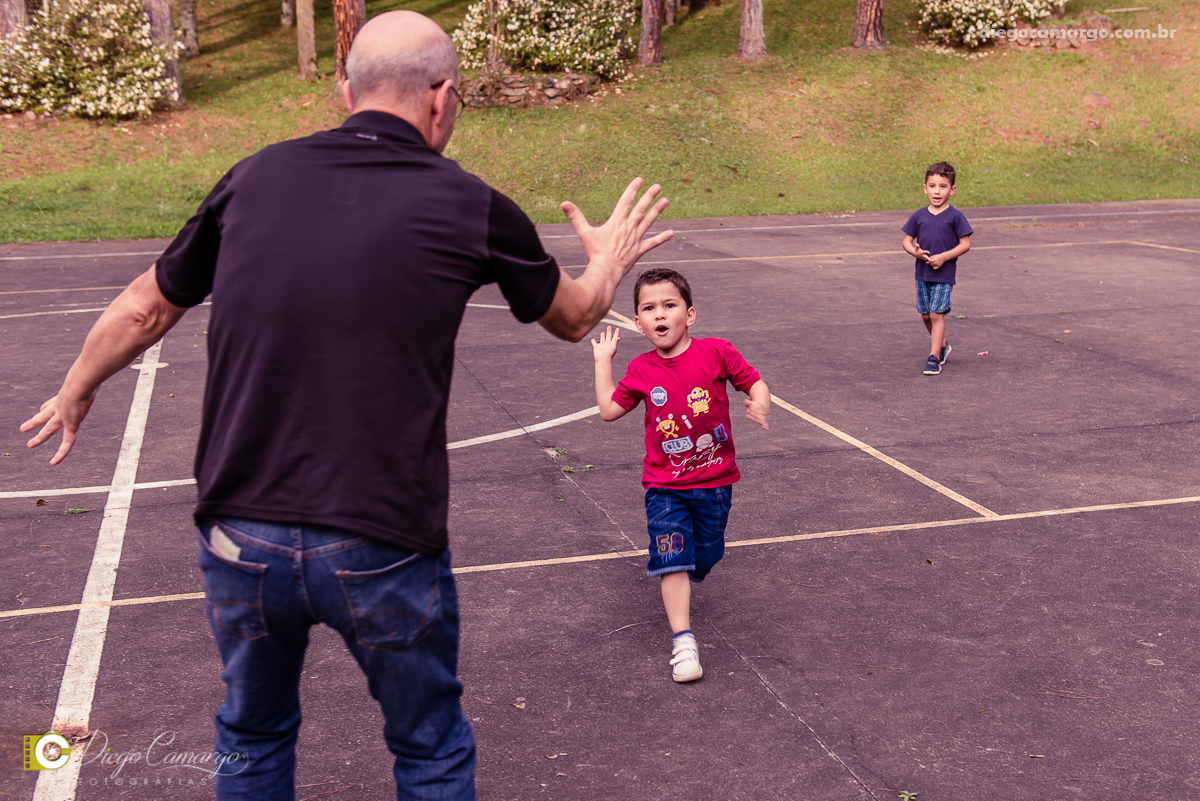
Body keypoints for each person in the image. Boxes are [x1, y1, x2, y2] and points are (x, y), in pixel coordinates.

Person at [20, 10, 673, 800]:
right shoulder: (468, 202)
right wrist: (607, 261)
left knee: (252, 736)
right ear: (442, 97)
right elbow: (574, 318)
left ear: (345, 91)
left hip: (242, 531)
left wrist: (76, 386)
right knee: (428, 749)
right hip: (383, 535)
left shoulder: (253, 177)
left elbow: (143, 308)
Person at [590, 267, 769, 683]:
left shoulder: (716, 352)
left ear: (689, 315)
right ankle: (683, 642)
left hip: (715, 483)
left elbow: (755, 383)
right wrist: (603, 363)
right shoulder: (641, 369)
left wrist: (760, 403)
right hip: (664, 486)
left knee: (705, 556)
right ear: (638, 323)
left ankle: (693, 566)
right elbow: (609, 410)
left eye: (669, 305)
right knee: (671, 560)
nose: (659, 314)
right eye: (648, 308)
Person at [900, 161, 973, 376]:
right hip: (922, 274)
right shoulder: (919, 216)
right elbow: (906, 241)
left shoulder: (956, 216)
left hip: (944, 275)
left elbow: (965, 244)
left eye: (943, 186)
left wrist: (943, 257)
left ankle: (934, 356)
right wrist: (915, 253)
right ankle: (942, 344)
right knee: (925, 315)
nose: (937, 191)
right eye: (932, 186)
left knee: (936, 314)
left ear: (952, 189)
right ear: (925, 188)